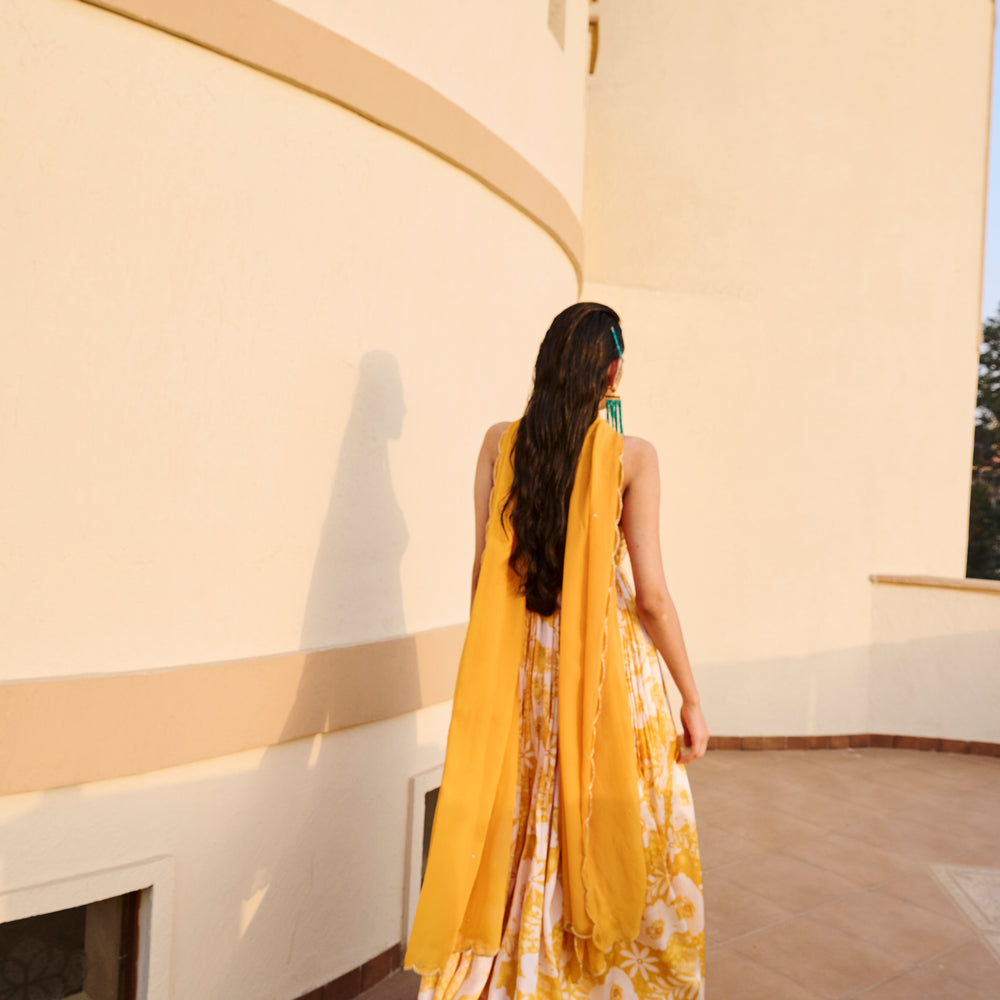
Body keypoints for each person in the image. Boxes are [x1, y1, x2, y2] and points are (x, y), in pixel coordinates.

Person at [405, 303, 709, 1000]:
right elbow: (652, 597)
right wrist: (690, 696)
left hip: (520, 671)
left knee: (517, 821)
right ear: (612, 373)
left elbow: (484, 573)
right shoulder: (632, 456)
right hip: (603, 676)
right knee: (614, 824)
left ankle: (507, 978)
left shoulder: (498, 443)